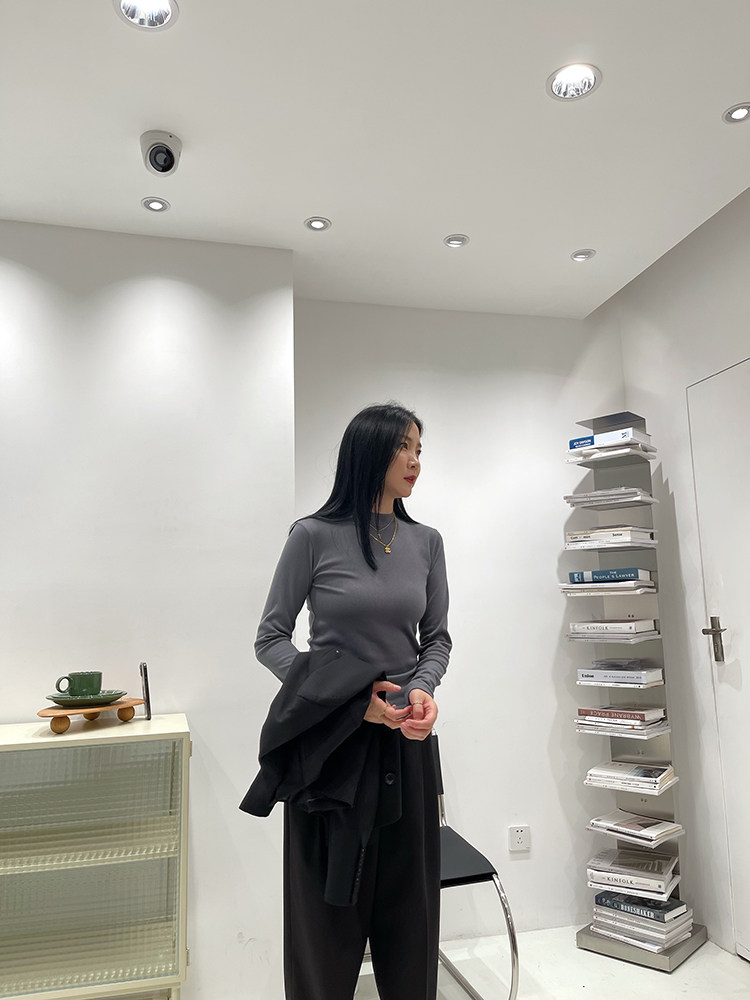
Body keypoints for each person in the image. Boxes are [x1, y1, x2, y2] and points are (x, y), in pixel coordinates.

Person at [255, 401, 451, 1000]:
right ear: (369, 452)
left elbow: (436, 640)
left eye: (419, 449)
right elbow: (271, 638)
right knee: (324, 924)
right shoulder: (312, 536)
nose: (416, 461)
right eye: (404, 448)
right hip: (330, 749)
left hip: (407, 744)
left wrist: (422, 690)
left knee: (410, 919)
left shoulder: (426, 542)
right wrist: (345, 700)